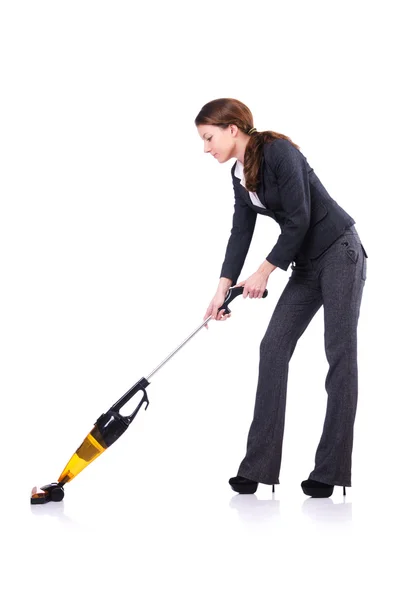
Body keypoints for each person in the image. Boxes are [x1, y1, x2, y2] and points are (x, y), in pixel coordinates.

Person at [195, 98, 368, 498]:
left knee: (339, 354)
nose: (206, 148)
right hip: (304, 264)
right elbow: (241, 232)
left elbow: (300, 216)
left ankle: (330, 471)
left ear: (232, 129)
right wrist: (222, 289)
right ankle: (257, 468)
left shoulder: (279, 152)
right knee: (272, 348)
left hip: (340, 252)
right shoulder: (239, 174)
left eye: (209, 138)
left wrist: (264, 271)